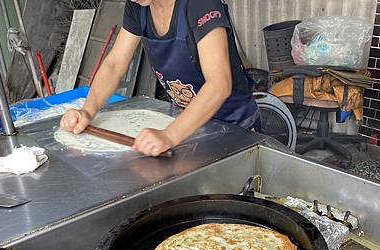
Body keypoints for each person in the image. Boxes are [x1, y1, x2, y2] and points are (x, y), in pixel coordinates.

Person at [60, 0, 259, 157]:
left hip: (233, 129)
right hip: (186, 128)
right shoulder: (138, 7)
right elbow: (114, 65)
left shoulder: (200, 4)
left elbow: (219, 85)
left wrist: (170, 135)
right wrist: (87, 111)